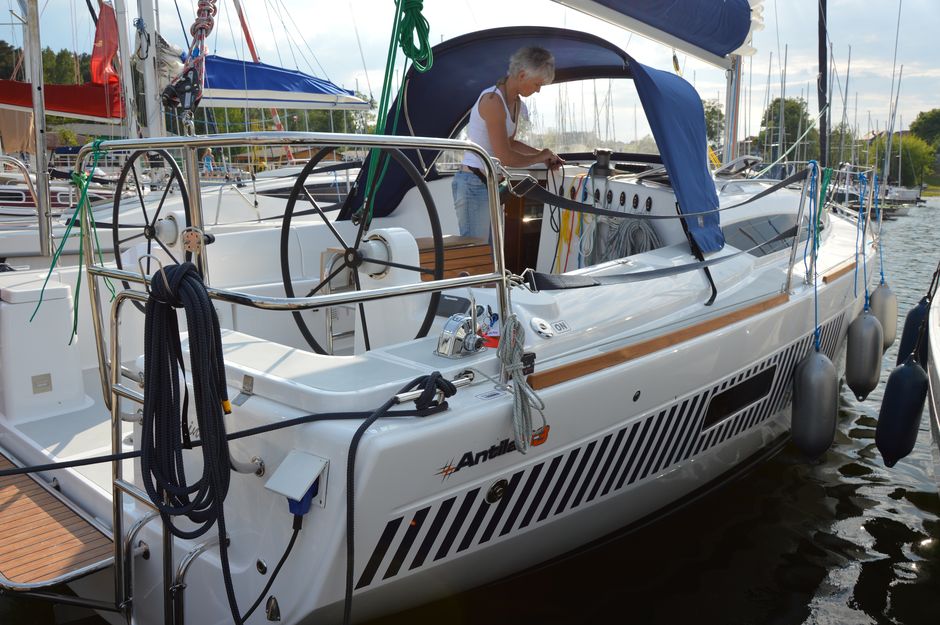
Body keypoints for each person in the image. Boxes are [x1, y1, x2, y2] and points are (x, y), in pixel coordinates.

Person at [453, 46, 564, 240]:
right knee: (478, 254)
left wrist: (545, 155)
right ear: (522, 75)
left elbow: (510, 143)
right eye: (537, 84)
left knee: (495, 254)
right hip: (473, 183)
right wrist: (539, 156)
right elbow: (504, 157)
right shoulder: (493, 101)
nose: (538, 90)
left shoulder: (515, 103)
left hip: (491, 183)